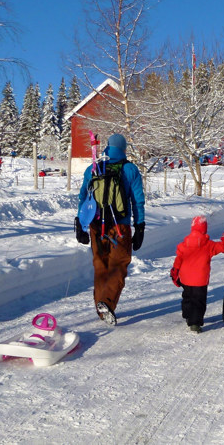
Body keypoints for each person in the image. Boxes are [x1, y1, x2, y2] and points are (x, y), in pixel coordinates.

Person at [75, 133, 145, 326]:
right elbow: (137, 201)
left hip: (96, 224)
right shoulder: (130, 169)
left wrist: (80, 225)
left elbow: (83, 198)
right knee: (119, 265)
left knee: (100, 265)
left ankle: (101, 308)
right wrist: (140, 226)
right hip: (120, 226)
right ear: (124, 149)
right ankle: (106, 303)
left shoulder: (93, 168)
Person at [170, 216, 224, 333]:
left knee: (187, 297)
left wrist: (175, 271)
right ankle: (195, 323)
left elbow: (178, 260)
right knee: (198, 301)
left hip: (185, 278)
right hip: (200, 280)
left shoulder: (184, 244)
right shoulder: (208, 244)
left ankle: (187, 314)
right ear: (205, 229)